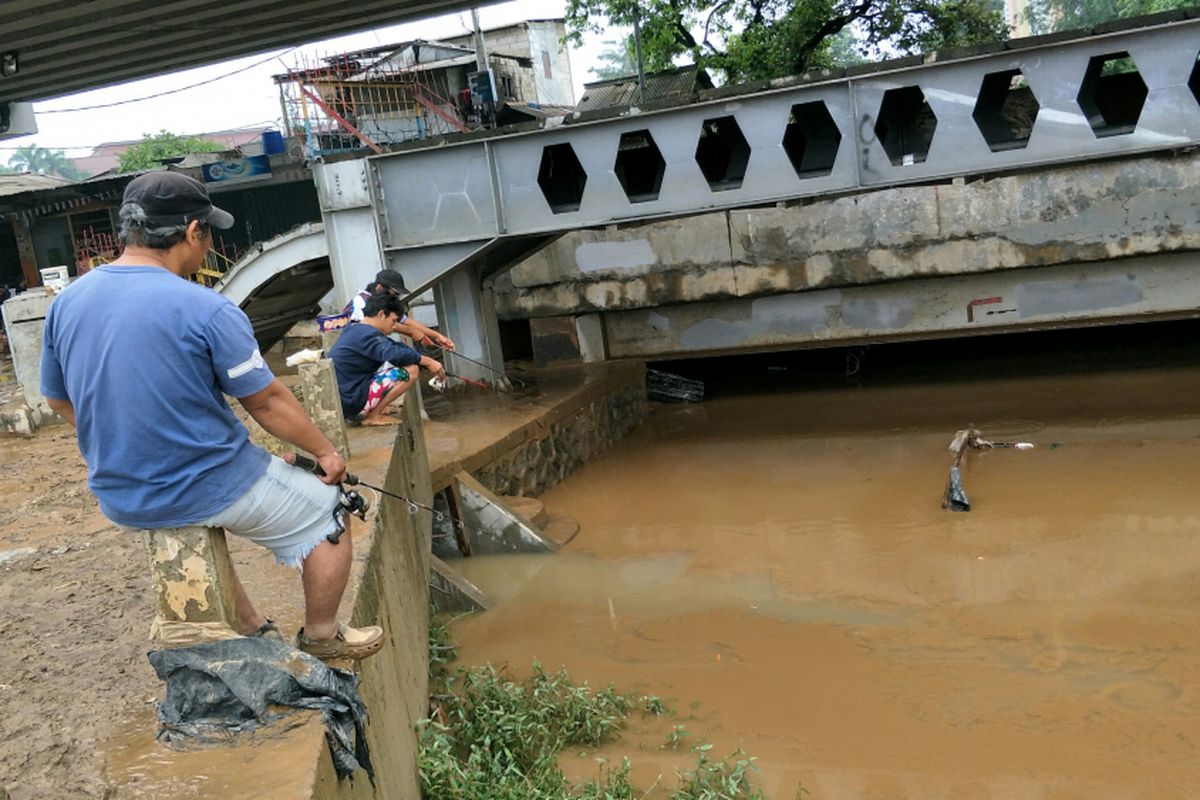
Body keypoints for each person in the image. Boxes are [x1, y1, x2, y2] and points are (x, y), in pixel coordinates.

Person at [39, 172, 382, 663]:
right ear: (193, 231)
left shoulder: (67, 303)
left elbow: (59, 400)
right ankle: (323, 636)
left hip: (120, 492)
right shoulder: (207, 308)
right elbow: (264, 402)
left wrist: (122, 438)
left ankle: (251, 628)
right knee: (330, 511)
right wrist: (325, 454)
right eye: (208, 235)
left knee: (230, 493)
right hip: (202, 483)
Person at [330, 292, 445, 426]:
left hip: (349, 396)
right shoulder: (367, 335)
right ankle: (374, 416)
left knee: (408, 364)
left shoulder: (357, 329)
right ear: (381, 314)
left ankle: (375, 409)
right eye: (393, 320)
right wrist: (428, 362)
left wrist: (424, 358)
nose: (394, 326)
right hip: (352, 401)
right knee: (411, 371)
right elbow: (394, 354)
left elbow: (395, 347)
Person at [346, 269, 456, 352]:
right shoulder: (360, 303)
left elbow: (405, 320)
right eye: (395, 294)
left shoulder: (381, 303)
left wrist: (437, 337)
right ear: (379, 288)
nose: (396, 298)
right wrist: (413, 332)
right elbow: (375, 325)